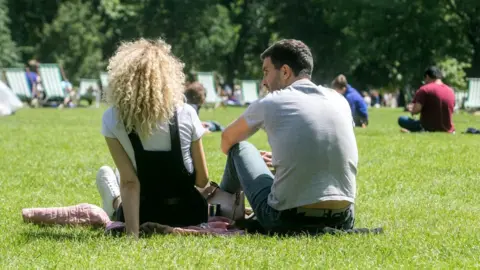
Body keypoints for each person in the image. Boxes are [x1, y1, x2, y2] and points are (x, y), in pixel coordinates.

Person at [219, 39, 358, 234]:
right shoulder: (339, 100)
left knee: (240, 149)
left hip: (286, 219)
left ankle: (219, 207)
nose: (264, 82)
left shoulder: (272, 102)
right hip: (343, 218)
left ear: (285, 71)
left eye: (266, 72)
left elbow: (227, 141)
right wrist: (284, 160)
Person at [96, 38, 210, 239]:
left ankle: (112, 200)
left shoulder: (112, 118)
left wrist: (133, 234)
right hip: (188, 214)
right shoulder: (188, 113)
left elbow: (130, 183)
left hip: (142, 213)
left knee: (118, 177)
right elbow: (202, 179)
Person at [398, 66, 455, 133]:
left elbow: (416, 110)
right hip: (447, 128)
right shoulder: (450, 91)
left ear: (427, 77)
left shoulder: (425, 89)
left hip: (427, 127)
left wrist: (412, 110)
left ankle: (414, 131)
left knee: (402, 119)